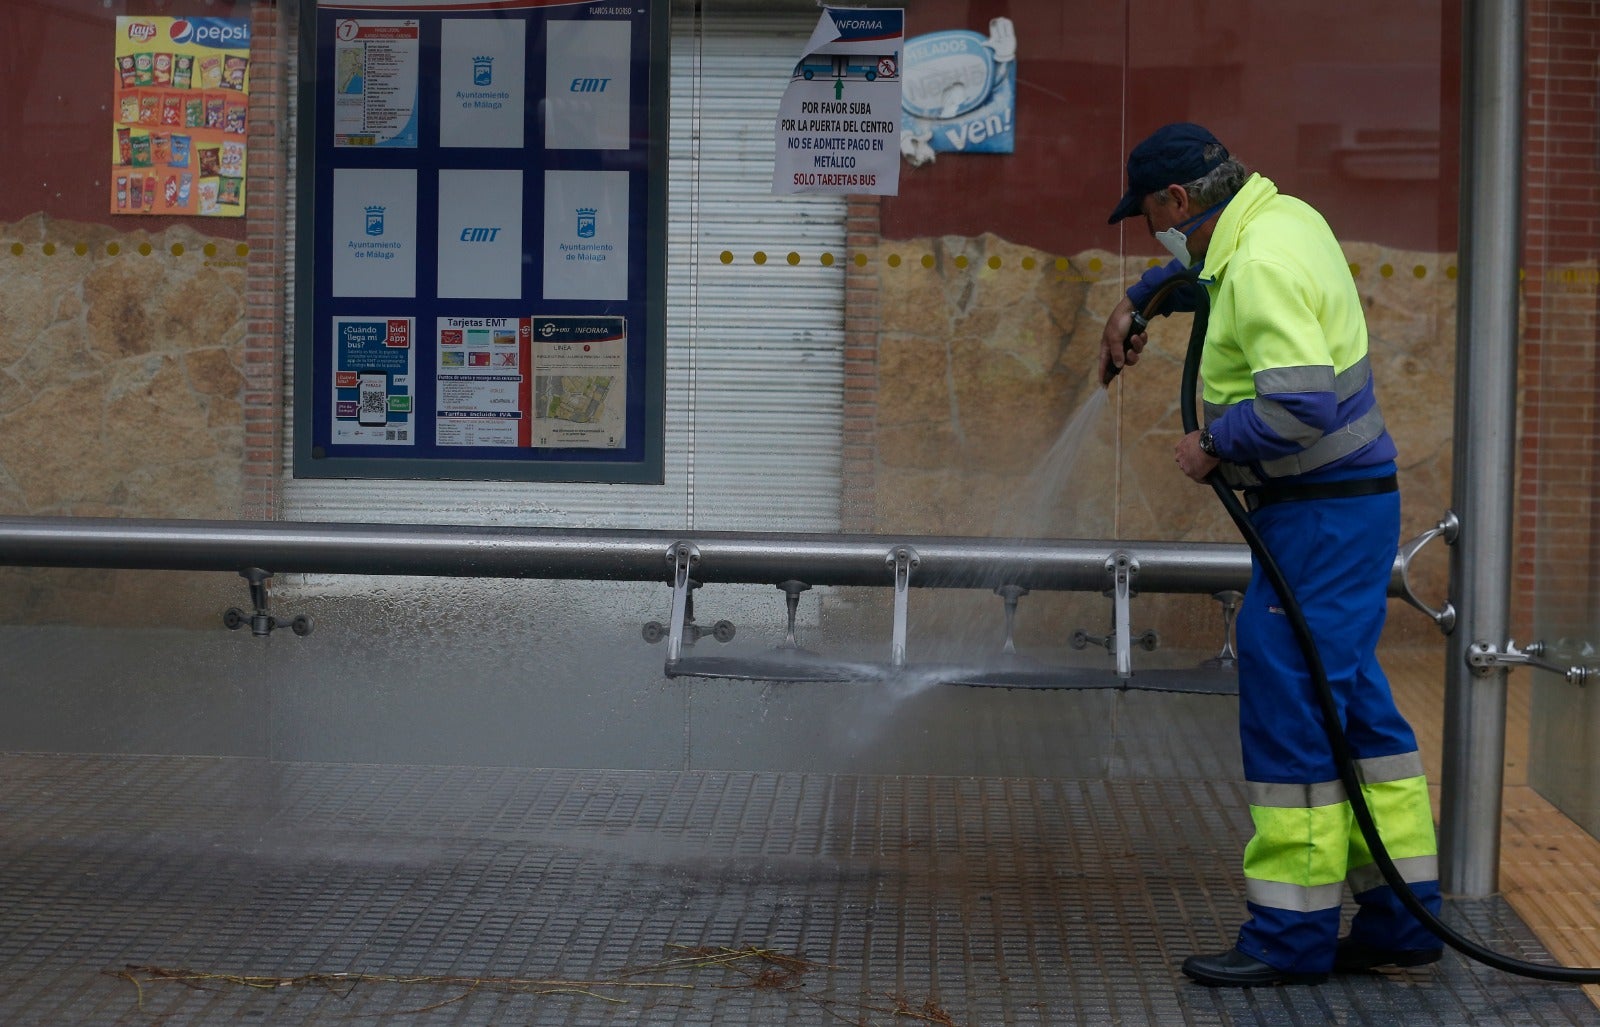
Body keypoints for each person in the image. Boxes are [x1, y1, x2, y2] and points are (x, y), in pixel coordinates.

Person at [1101, 122, 1444, 987]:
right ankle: (1404, 917)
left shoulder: (1256, 264)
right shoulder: (1281, 220)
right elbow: (1206, 275)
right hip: (1340, 512)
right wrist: (1141, 297)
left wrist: (1212, 441)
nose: (1158, 236)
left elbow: (1301, 407)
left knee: (1291, 705)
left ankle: (1288, 938)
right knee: (1354, 709)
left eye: (1153, 221)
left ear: (1181, 201)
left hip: (1320, 518)